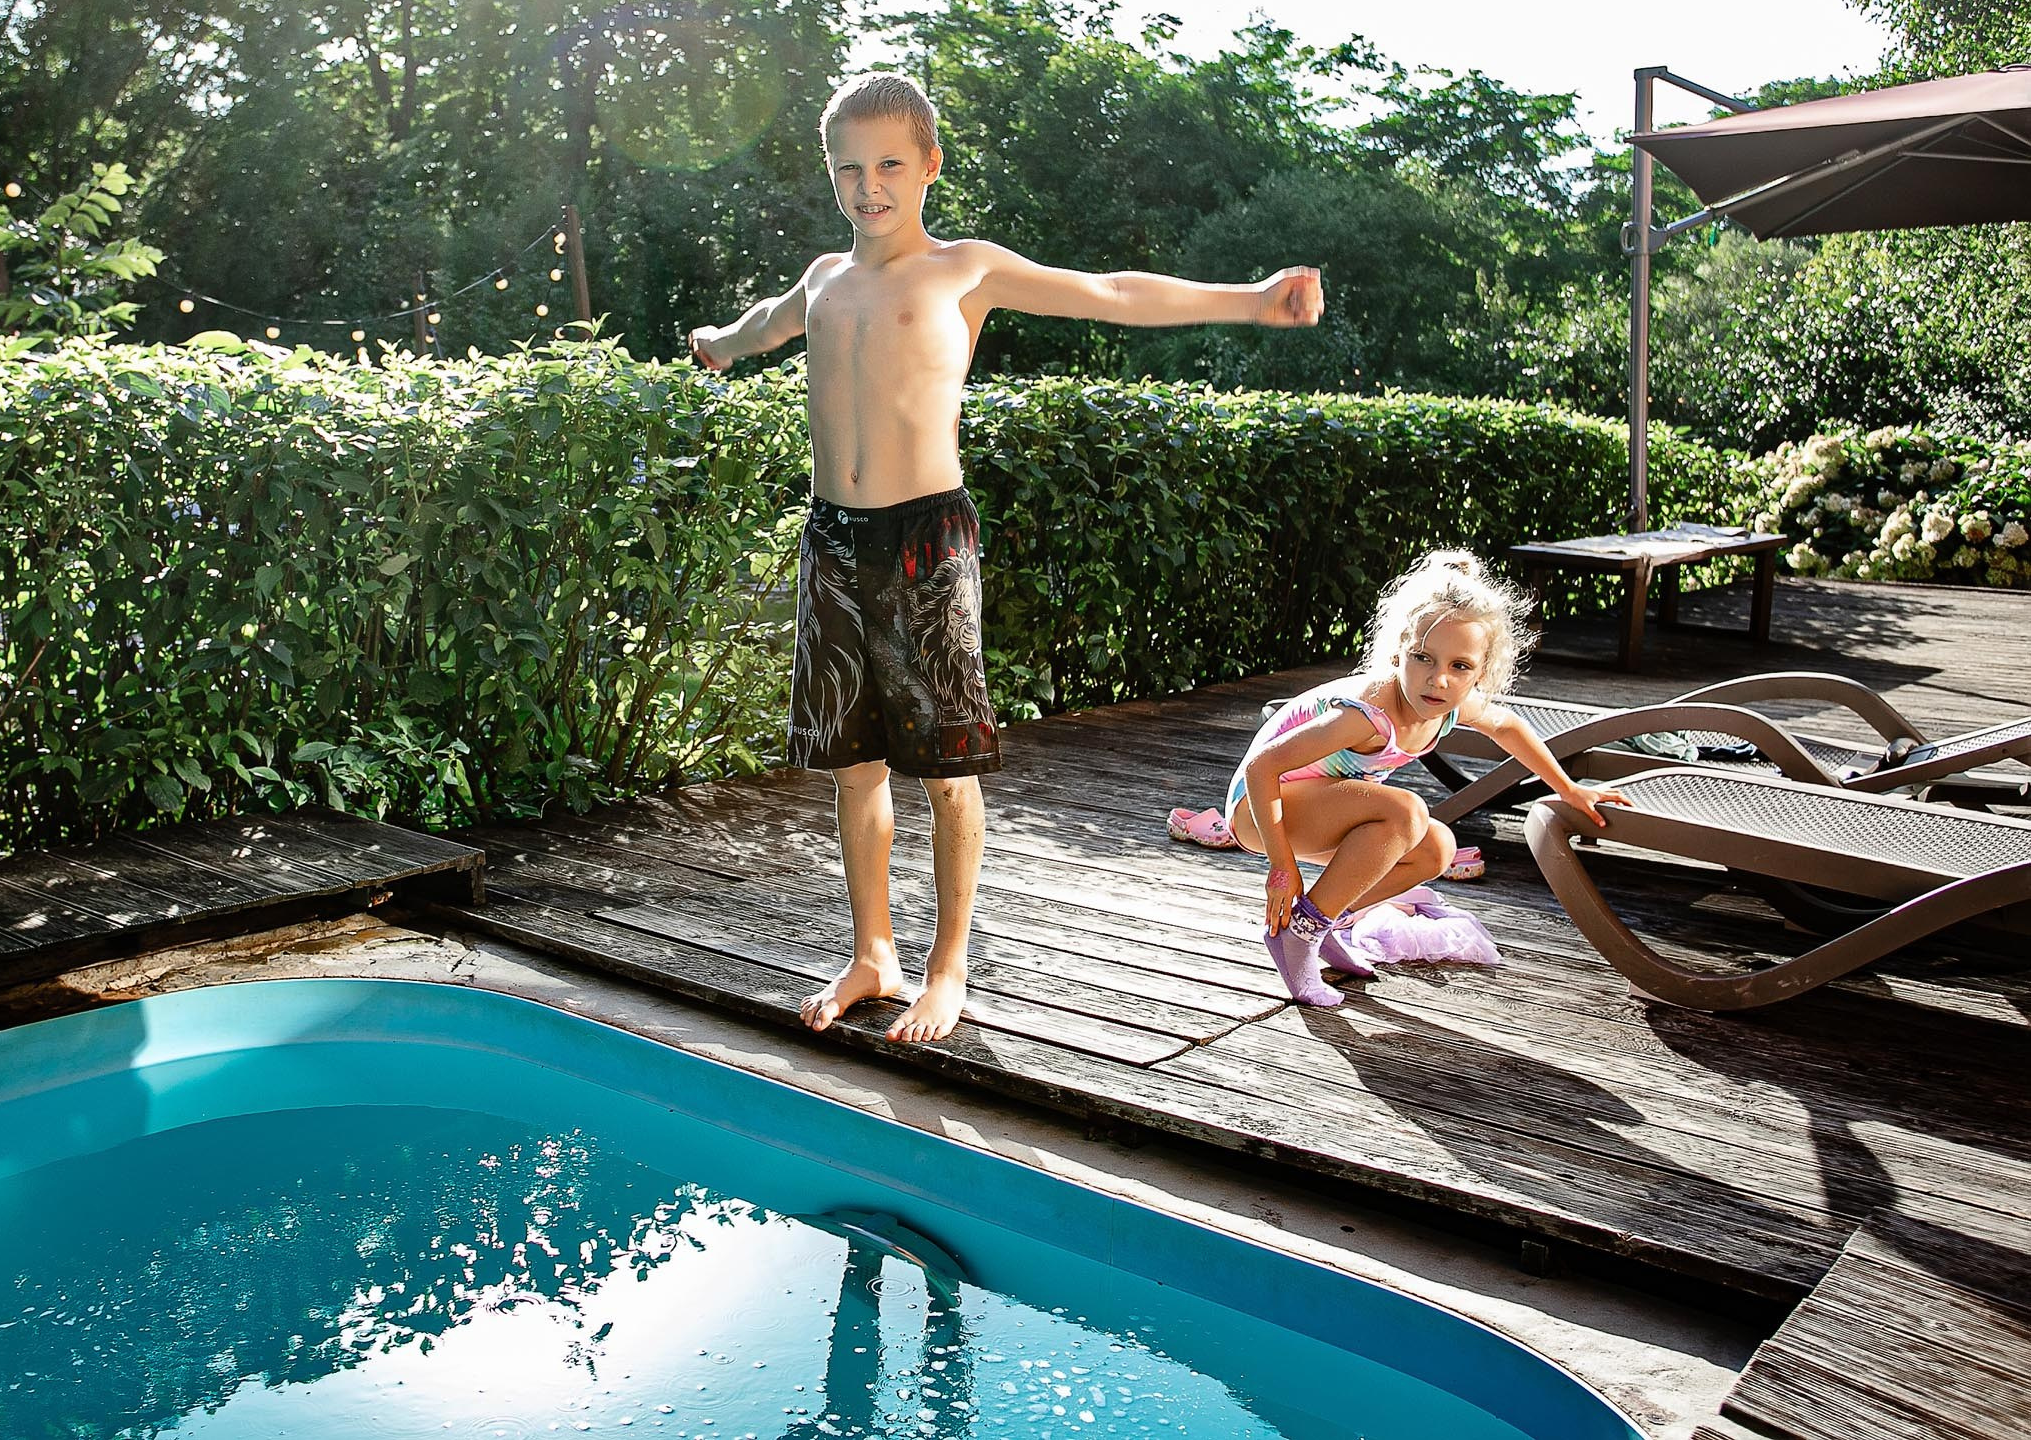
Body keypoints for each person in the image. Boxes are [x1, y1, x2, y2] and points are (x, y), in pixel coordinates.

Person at [687, 71, 1324, 1043]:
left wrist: (1249, 300)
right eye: (849, 167)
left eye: (890, 163)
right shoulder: (823, 278)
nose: (870, 185)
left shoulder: (962, 270)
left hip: (924, 542)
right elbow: (765, 324)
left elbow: (1110, 293)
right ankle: (873, 950)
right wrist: (720, 344)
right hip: (833, 541)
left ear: (930, 166)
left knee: (945, 771)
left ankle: (948, 966)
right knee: (853, 767)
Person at [1227, 549, 1625, 1007]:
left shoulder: (1454, 702)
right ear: (1399, 651)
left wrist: (1569, 789)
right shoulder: (1366, 715)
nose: (1438, 680)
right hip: (1259, 810)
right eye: (1423, 658)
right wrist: (1282, 869)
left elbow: (1508, 726)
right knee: (1407, 811)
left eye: (1460, 667)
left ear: (1481, 670)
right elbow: (1262, 767)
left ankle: (1325, 922)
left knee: (1438, 848)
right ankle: (1297, 936)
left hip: (1316, 807)